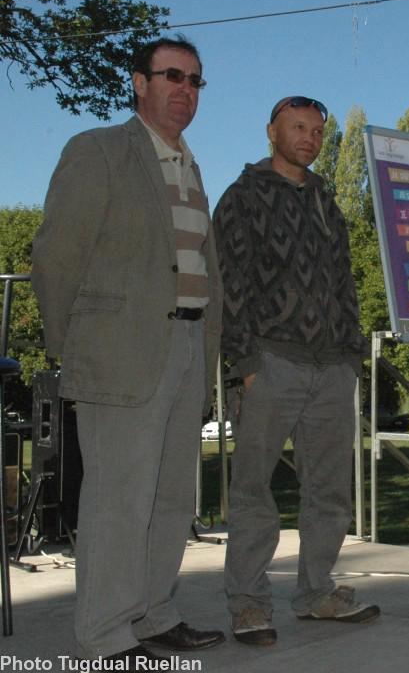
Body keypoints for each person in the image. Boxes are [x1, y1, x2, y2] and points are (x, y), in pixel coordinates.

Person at [32, 36, 225, 663]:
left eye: (196, 81)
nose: (186, 90)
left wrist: (207, 365)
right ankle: (105, 638)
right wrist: (75, 348)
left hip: (188, 346)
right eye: (173, 76)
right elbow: (56, 258)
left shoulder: (192, 167)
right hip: (120, 351)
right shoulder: (99, 151)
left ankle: (153, 614)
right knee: (120, 499)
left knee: (171, 499)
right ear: (139, 83)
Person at [214, 96, 378, 646]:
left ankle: (316, 593)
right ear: (271, 132)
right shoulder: (243, 196)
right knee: (253, 490)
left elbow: (345, 280)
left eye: (316, 130)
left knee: (330, 490)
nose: (309, 138)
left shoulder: (327, 200)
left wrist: (352, 352)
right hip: (272, 362)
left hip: (333, 366)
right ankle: (248, 605)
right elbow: (228, 283)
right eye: (297, 127)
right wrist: (247, 362)